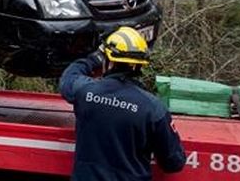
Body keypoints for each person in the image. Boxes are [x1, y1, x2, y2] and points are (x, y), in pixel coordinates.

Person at [60, 26, 186, 181]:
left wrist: (93, 59)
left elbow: (68, 78)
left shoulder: (85, 92)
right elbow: (173, 163)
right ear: (139, 65)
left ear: (109, 61)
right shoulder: (153, 108)